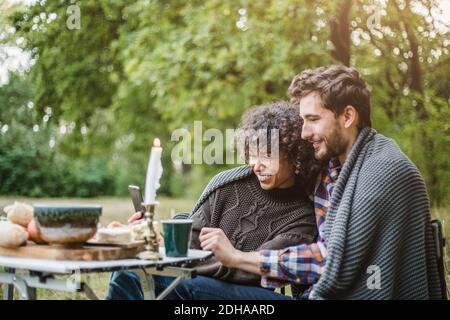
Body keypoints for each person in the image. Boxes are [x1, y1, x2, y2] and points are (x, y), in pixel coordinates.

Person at [191, 65, 443, 299]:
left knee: (185, 291)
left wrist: (236, 258)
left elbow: (332, 260)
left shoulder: (381, 170)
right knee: (166, 283)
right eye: (303, 121)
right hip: (311, 294)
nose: (303, 133)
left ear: (347, 116)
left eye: (313, 120)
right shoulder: (335, 166)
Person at [107, 101, 320, 300]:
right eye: (252, 155)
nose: (256, 165)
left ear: (294, 155)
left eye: (266, 156)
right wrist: (162, 243)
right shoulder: (227, 185)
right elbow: (190, 241)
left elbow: (251, 273)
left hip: (246, 293)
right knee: (130, 269)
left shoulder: (303, 215)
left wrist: (193, 258)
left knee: (175, 284)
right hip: (200, 279)